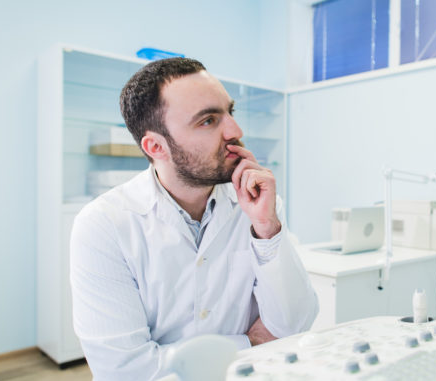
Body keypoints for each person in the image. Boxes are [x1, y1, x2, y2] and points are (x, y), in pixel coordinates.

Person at [69, 57, 319, 380]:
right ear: (156, 146)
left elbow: (296, 326)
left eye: (230, 112)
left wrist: (267, 229)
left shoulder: (257, 205)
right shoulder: (103, 227)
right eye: (208, 121)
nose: (235, 131)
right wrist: (249, 342)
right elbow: (127, 371)